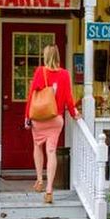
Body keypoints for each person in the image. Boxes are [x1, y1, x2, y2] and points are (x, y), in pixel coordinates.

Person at [25, 44, 81, 204]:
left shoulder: (40, 72)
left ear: (45, 56)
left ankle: (39, 179)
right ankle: (49, 189)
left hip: (39, 119)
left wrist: (27, 116)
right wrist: (74, 113)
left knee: (37, 146)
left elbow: (32, 96)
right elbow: (69, 98)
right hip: (55, 118)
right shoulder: (64, 74)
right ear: (57, 56)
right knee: (51, 152)